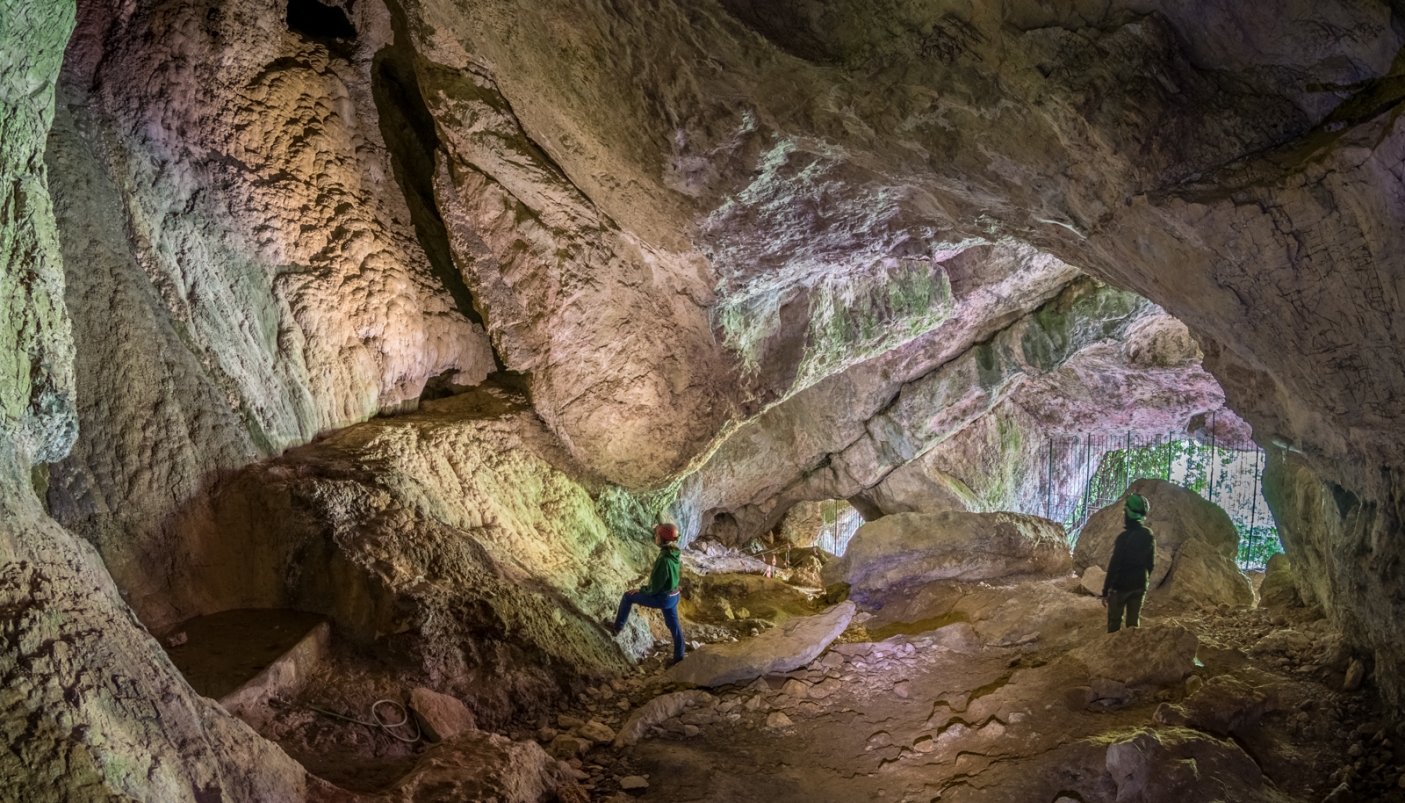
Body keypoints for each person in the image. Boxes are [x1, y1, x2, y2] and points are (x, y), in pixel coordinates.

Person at [611, 523, 685, 665]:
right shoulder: (674, 552)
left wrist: (642, 590)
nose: (655, 537)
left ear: (662, 540)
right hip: (674, 595)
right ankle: (679, 658)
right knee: (674, 626)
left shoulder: (664, 559)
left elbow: (655, 586)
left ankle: (617, 628)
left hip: (664, 598)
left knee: (628, 596)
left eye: (657, 535)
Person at [1100, 493, 1156, 633]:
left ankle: (1114, 651)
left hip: (1121, 586)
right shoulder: (1148, 535)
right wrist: (1143, 579)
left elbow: (1114, 565)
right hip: (1139, 584)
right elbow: (1151, 564)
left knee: (1114, 622)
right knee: (1133, 624)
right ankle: (1131, 651)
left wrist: (1106, 591)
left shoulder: (1123, 538)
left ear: (1127, 513)